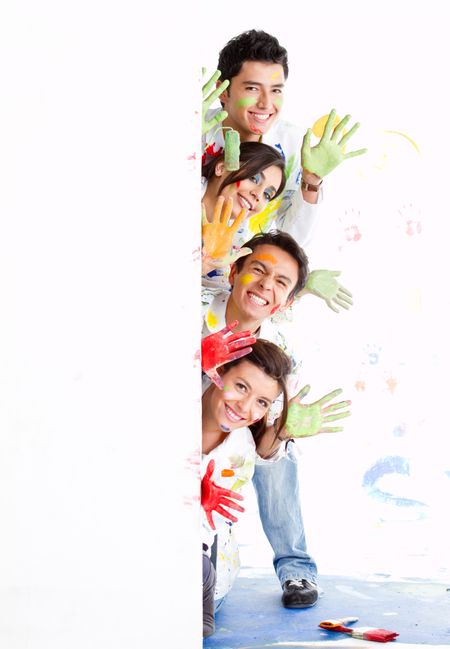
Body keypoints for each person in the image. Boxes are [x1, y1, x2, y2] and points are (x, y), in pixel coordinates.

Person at [201, 230, 352, 609]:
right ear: (234, 272)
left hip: (224, 443)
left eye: (281, 283)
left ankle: (296, 567)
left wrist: (283, 431)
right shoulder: (191, 308)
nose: (266, 286)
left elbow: (260, 445)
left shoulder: (282, 352)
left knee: (282, 452)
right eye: (258, 271)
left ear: (287, 302)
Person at [202, 30, 367, 251]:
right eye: (252, 88)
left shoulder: (295, 147)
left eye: (276, 90)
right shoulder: (195, 125)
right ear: (223, 91)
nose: (266, 104)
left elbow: (292, 242)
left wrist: (312, 180)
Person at [201, 338, 292, 637]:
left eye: (262, 402)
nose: (245, 407)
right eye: (241, 387)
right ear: (218, 372)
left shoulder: (240, 450)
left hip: (206, 582)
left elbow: (205, 527)